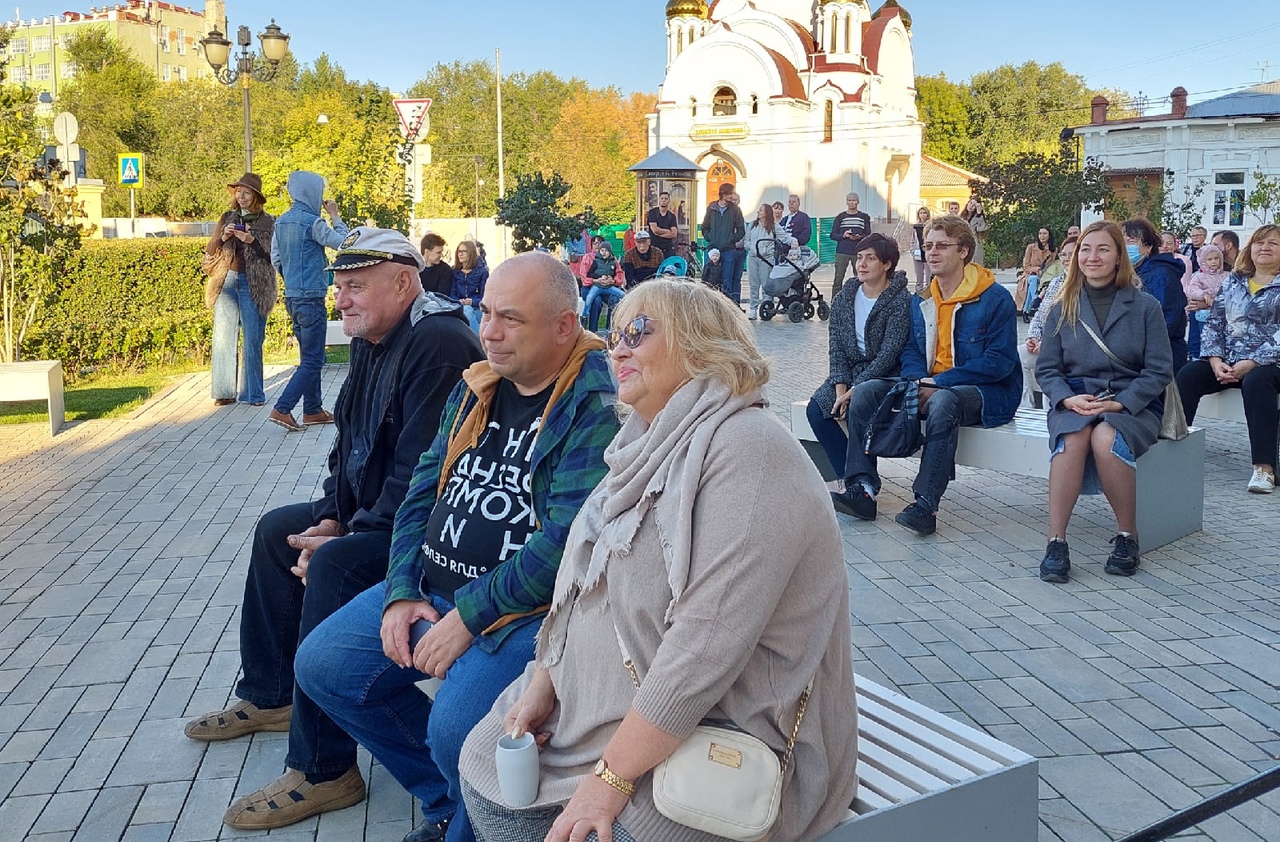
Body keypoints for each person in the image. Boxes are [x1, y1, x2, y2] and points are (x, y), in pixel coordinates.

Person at [454, 279, 858, 842]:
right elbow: (579, 592)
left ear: (701, 346)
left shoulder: (751, 449)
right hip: (610, 706)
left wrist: (610, 780)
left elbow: (704, 646)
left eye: (638, 333)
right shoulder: (640, 445)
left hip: (723, 732)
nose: (615, 348)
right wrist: (546, 680)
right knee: (479, 756)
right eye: (615, 333)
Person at [295, 252, 620, 842]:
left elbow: (565, 544)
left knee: (455, 726)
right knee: (324, 665)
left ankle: (475, 817)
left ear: (564, 327)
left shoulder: (593, 406)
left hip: (522, 615)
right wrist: (398, 592)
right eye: (487, 312)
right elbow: (422, 490)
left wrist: (469, 616)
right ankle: (454, 803)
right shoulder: (478, 386)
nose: (488, 332)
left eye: (510, 319)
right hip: (430, 590)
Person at [184, 228, 486, 831]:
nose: (340, 301)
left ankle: (325, 769)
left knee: (334, 565)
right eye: (338, 287)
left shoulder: (439, 342)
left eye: (355, 287)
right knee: (278, 532)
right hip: (377, 515)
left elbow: (421, 480)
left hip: (426, 534)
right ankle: (273, 694)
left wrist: (342, 537)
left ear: (404, 283)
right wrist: (328, 515)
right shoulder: (377, 336)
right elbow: (347, 446)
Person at [831, 215, 1021, 536]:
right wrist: (919, 380)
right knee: (865, 392)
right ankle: (862, 488)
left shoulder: (993, 297)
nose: (932, 252)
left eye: (941, 246)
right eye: (928, 245)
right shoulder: (922, 299)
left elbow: (999, 362)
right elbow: (911, 351)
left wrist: (938, 382)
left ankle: (925, 505)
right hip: (929, 386)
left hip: (987, 393)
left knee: (943, 402)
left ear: (963, 251)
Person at [1034, 221, 1174, 583]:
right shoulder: (1061, 306)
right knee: (1074, 439)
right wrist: (1066, 399)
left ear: (1118, 258)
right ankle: (1056, 542)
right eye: (1085, 249)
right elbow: (1047, 370)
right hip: (1076, 397)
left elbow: (1159, 371)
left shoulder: (1146, 307)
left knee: (1105, 438)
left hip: (1133, 401)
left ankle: (1127, 536)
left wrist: (1121, 404)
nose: (1092, 257)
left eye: (1103, 249)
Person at [1177, 224, 1280, 494]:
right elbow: (1214, 323)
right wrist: (1215, 360)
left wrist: (1252, 362)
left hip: (1270, 366)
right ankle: (1176, 452)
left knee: (1257, 382)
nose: (1265, 248)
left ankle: (1264, 469)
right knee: (1188, 375)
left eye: (1273, 244)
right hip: (1229, 361)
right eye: (1259, 242)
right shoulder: (1234, 281)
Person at [808, 233, 912, 481]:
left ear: (887, 264)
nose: (861, 264)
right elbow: (837, 347)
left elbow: (889, 354)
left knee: (859, 406)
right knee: (817, 410)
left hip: (884, 375)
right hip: (851, 373)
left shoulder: (900, 301)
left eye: (870, 258)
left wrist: (854, 390)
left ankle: (861, 483)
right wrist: (839, 389)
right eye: (859, 257)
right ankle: (854, 479)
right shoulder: (845, 297)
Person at [268, 171, 349, 431]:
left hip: (292, 297)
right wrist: (335, 216)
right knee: (315, 360)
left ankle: (312, 410)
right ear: (311, 192)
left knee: (308, 356)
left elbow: (276, 259)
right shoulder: (313, 223)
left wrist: (292, 279)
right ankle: (283, 408)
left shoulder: (281, 222)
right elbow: (345, 244)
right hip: (312, 299)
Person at [205, 172, 275, 407]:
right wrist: (224, 236)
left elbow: (273, 256)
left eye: (246, 192)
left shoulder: (268, 222)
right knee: (223, 337)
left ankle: (253, 394)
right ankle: (224, 392)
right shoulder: (227, 216)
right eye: (238, 192)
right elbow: (210, 249)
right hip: (227, 281)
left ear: (256, 196)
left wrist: (251, 241)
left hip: (254, 284)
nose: (241, 196)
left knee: (253, 338)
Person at [1124, 218, 1188, 371]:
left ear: (1148, 246)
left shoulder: (1161, 274)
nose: (1126, 246)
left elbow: (1166, 321)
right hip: (1134, 354)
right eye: (1122, 241)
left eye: (1132, 241)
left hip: (1161, 356)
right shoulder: (1129, 273)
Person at [1019, 237, 1078, 404]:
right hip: (1042, 344)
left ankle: (1050, 416)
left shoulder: (1084, 284)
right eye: (1063, 255)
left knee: (1049, 364)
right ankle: (1027, 409)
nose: (1066, 259)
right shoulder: (1055, 282)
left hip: (1065, 349)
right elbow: (1040, 315)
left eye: (1071, 254)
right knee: (1017, 355)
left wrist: (1047, 344)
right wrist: (1033, 337)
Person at [700, 182, 746, 307]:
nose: (732, 196)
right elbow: (705, 227)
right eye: (730, 193)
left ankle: (728, 308)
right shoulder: (712, 208)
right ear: (723, 194)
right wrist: (711, 238)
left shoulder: (735, 210)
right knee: (709, 278)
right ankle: (709, 306)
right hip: (713, 249)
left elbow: (741, 229)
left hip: (729, 250)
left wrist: (731, 239)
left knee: (727, 280)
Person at [745, 202, 793, 320]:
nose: (758, 212)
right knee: (754, 284)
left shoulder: (774, 226)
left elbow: (785, 237)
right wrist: (753, 249)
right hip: (753, 258)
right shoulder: (751, 225)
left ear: (766, 213)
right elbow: (746, 241)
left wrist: (794, 242)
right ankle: (753, 309)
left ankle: (767, 307)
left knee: (766, 284)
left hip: (766, 259)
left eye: (760, 210)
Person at [1186, 244, 1229, 360]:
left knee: (1220, 338)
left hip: (1223, 315)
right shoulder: (1199, 276)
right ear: (1203, 261)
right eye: (1209, 259)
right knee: (1204, 337)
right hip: (1204, 314)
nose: (1214, 262)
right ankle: (1200, 357)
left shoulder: (1227, 275)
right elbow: (1191, 290)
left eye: (1216, 258)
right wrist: (1203, 295)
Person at [829, 192, 872, 299]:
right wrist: (843, 235)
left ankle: (861, 299)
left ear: (858, 202)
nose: (851, 203)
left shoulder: (864, 217)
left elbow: (868, 235)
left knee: (860, 277)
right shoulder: (840, 217)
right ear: (846, 202)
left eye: (854, 200)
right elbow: (833, 235)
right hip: (842, 251)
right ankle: (835, 301)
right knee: (838, 278)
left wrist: (859, 237)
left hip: (858, 252)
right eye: (849, 200)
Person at [583, 240, 624, 331]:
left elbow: (618, 274)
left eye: (606, 250)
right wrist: (598, 279)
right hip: (594, 285)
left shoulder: (613, 261)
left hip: (608, 286)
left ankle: (610, 328)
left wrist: (612, 280)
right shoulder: (591, 258)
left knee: (617, 298)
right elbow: (586, 275)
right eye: (595, 243)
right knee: (595, 300)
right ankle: (587, 322)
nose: (597, 245)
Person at [451, 241, 488, 334]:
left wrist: (472, 301)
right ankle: (478, 342)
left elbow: (485, 296)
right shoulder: (454, 272)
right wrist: (459, 301)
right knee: (467, 311)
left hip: (477, 307)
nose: (460, 254)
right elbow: (452, 293)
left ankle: (475, 341)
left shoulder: (482, 272)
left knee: (472, 314)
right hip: (459, 306)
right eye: (459, 251)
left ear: (471, 253)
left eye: (464, 251)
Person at [1017, 226, 1055, 316]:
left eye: (1045, 233)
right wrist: (1036, 269)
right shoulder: (1031, 247)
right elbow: (1026, 266)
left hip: (1045, 275)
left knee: (1035, 284)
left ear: (1049, 236)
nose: (1042, 236)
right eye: (1040, 233)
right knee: (1033, 279)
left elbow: (1052, 266)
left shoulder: (1053, 250)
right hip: (1029, 275)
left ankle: (1026, 310)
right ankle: (1035, 298)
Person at [646, 190, 678, 259]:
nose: (664, 200)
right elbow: (655, 230)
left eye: (666, 199)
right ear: (659, 200)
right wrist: (667, 231)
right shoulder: (652, 213)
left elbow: (674, 234)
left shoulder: (671, 216)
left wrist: (659, 234)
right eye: (662, 198)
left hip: (668, 248)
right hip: (654, 247)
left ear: (669, 200)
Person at [419, 232, 454, 296]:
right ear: (427, 252)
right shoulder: (414, 269)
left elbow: (442, 296)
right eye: (438, 252)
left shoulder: (445, 269)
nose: (441, 255)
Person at [962, 193, 987, 266]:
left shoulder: (978, 217)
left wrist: (979, 214)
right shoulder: (961, 217)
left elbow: (981, 229)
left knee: (975, 265)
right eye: (970, 203)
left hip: (975, 244)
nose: (971, 206)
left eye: (974, 206)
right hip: (962, 243)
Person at [911, 206, 932, 293]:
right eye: (921, 213)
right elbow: (912, 240)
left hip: (927, 253)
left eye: (924, 213)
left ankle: (928, 294)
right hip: (917, 252)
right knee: (919, 277)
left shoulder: (931, 226)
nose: (923, 215)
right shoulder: (916, 226)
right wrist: (912, 250)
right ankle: (918, 294)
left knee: (928, 277)